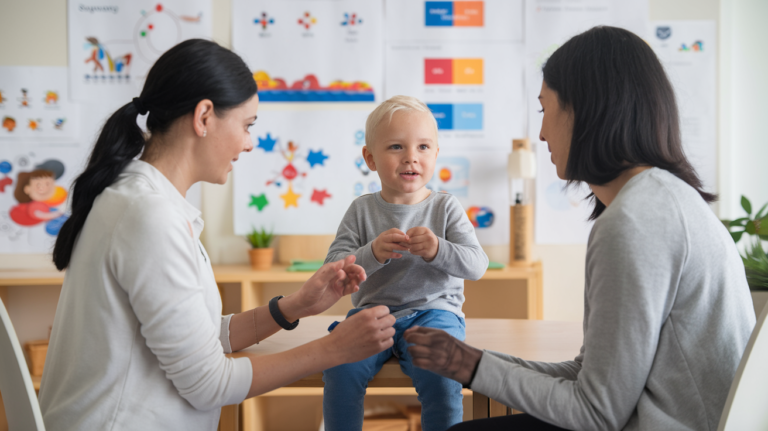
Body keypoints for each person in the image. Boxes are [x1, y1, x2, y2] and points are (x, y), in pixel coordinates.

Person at [404, 26, 756, 430]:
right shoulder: (662, 199)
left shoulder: (636, 222)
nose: (541, 133)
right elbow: (589, 377)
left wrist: (471, 366)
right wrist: (475, 363)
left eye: (544, 110)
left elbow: (596, 412)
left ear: (586, 109)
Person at [39, 39, 396, 430]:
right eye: (246, 125)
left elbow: (202, 337)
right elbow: (208, 383)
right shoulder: (148, 216)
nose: (249, 142)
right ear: (204, 116)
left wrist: (293, 307)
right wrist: (334, 349)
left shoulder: (140, 201)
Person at [322, 96, 489, 431]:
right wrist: (372, 252)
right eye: (396, 146)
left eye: (424, 147)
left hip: (435, 314)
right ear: (370, 157)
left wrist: (439, 249)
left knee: (441, 376)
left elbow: (476, 265)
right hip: (372, 315)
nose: (411, 156)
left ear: (436, 155)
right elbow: (334, 271)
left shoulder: (446, 208)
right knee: (339, 367)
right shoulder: (361, 210)